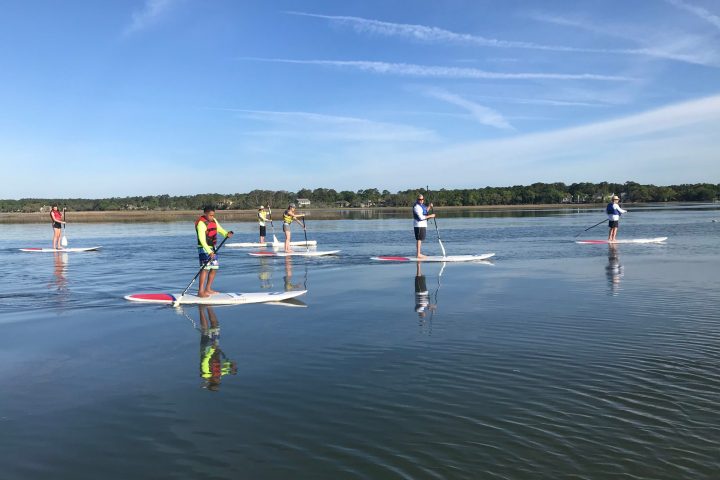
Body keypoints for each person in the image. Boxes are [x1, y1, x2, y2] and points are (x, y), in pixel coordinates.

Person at [195, 207, 233, 298]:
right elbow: (202, 240)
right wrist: (209, 252)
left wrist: (226, 234)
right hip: (204, 249)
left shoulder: (214, 220)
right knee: (205, 269)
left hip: (213, 248)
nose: (212, 217)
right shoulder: (201, 224)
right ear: (205, 213)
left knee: (214, 268)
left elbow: (219, 229)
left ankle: (208, 289)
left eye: (213, 215)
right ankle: (200, 291)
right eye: (210, 215)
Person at [198, 305, 237, 392]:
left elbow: (205, 360)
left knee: (205, 330)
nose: (218, 380)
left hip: (206, 348)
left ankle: (201, 308)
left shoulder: (206, 373)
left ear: (211, 381)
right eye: (218, 382)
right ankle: (209, 306)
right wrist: (231, 367)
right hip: (215, 346)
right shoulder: (218, 374)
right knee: (215, 325)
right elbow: (225, 369)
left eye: (216, 382)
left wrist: (212, 349)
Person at [412, 194, 435, 258]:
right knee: (419, 239)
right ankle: (418, 254)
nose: (421, 200)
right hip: (419, 225)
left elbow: (425, 211)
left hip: (423, 224)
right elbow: (421, 217)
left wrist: (429, 207)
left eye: (422, 199)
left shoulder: (422, 205)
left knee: (420, 239)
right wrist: (431, 216)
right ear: (417, 200)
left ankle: (418, 254)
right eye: (420, 199)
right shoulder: (416, 207)